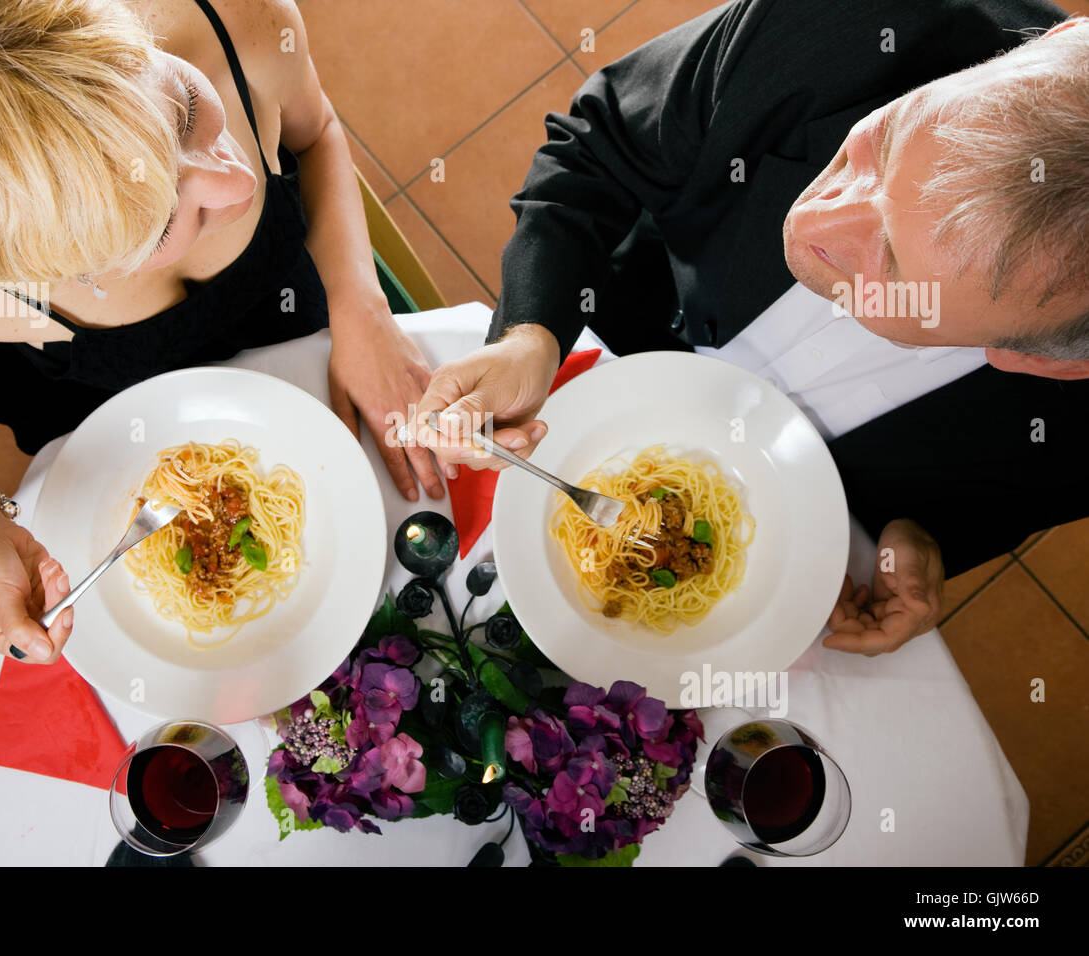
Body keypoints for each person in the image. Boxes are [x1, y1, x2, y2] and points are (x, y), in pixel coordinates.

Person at [412, 0, 1089, 655]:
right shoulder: (869, 17)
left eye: (891, 266)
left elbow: (1000, 500)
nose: (811, 218)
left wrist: (922, 535)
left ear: (1049, 363)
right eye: (883, 145)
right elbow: (601, 144)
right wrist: (531, 333)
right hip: (616, 328)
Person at [0, 0, 443, 664]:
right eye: (158, 225)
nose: (239, 182)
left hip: (302, 316)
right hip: (98, 425)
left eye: (184, 109)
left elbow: (315, 133)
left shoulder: (234, 14)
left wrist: (359, 305)